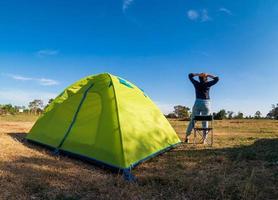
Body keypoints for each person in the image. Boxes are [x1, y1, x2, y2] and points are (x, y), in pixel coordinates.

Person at [185, 73, 219, 143]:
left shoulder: (196, 83)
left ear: (199, 79)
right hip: (207, 103)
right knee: (205, 121)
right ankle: (204, 140)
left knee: (193, 121)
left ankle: (187, 137)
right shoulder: (208, 84)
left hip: (197, 102)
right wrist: (208, 75)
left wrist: (198, 74)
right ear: (206, 79)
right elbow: (217, 79)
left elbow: (190, 75)